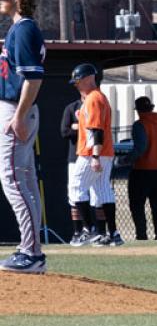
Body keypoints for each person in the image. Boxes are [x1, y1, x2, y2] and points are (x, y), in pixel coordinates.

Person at [0, 0, 46, 273]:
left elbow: (33, 77)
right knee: (25, 181)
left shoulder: (24, 30)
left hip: (18, 109)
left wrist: (18, 116)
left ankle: (31, 252)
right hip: (19, 109)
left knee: (13, 180)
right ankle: (31, 250)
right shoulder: (21, 29)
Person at [68, 63, 124, 247]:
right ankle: (113, 233)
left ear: (87, 79)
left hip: (92, 152)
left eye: (77, 81)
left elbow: (96, 130)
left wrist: (95, 156)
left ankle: (89, 230)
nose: (76, 85)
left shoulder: (93, 98)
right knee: (102, 191)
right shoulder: (99, 97)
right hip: (105, 151)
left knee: (76, 187)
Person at [125, 96, 157, 240]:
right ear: (152, 108)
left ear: (138, 110)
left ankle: (141, 235)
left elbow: (140, 148)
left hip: (142, 170)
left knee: (137, 205)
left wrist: (124, 160)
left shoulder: (140, 124)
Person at [60, 98, 107, 245]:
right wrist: (82, 128)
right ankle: (78, 231)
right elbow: (64, 131)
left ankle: (101, 231)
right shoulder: (71, 107)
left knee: (97, 194)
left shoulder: (98, 105)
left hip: (92, 156)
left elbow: (100, 130)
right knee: (74, 194)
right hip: (75, 157)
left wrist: (79, 127)